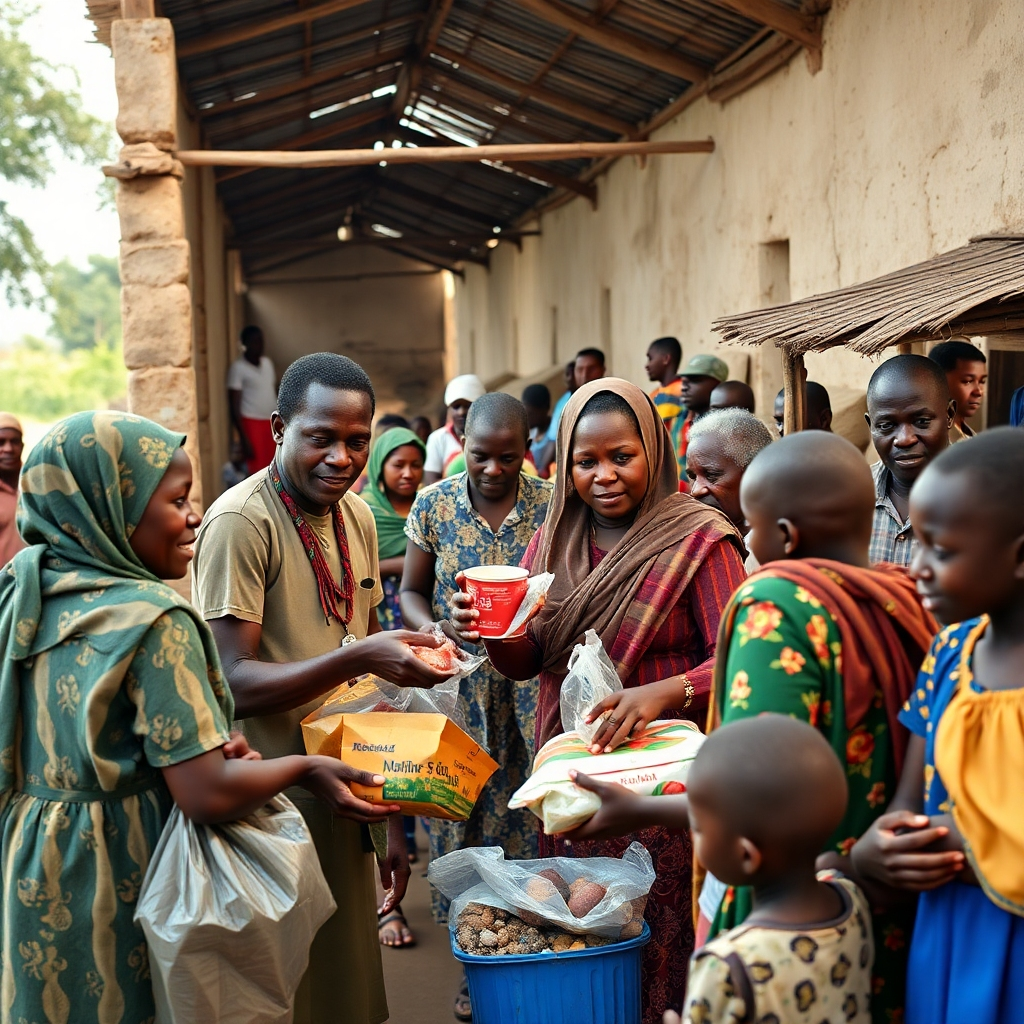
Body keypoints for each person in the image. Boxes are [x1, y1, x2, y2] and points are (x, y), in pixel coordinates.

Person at [0, 411, 404, 1024]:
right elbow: (207, 795)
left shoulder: (20, 594)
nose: (195, 518)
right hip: (125, 868)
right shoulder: (155, 620)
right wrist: (301, 768)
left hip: (31, 861)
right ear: (115, 508)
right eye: (177, 501)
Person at [456, 379, 747, 1024]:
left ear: (653, 452)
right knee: (586, 931)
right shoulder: (553, 543)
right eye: (586, 462)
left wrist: (662, 694)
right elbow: (525, 662)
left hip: (664, 788)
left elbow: (737, 656)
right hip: (578, 779)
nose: (605, 476)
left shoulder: (700, 539)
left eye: (622, 456)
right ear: (566, 466)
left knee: (664, 932)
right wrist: (493, 627)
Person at [192, 354, 451, 1024]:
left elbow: (368, 684)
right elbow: (231, 682)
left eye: (357, 441)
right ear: (278, 428)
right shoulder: (241, 523)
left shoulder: (356, 518)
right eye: (320, 438)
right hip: (273, 806)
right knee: (287, 993)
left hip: (345, 799)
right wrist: (364, 652)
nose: (341, 457)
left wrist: (392, 816)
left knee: (349, 993)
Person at [697, 431, 937, 1023]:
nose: (748, 544)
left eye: (751, 529)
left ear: (785, 536)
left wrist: (640, 810)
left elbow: (757, 788)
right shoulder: (908, 596)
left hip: (788, 913)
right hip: (889, 894)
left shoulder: (776, 607)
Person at [850, 428, 1024, 1024]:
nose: (917, 568)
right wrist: (878, 851)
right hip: (946, 933)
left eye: (941, 551)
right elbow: (910, 805)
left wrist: (958, 849)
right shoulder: (950, 653)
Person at [400, 391, 551, 1021]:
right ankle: (472, 961)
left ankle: (526, 948)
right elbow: (408, 592)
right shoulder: (435, 505)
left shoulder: (548, 502)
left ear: (527, 450)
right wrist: (443, 624)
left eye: (507, 458)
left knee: (527, 815)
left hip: (528, 689)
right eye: (480, 456)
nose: (492, 470)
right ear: (461, 444)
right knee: (458, 816)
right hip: (458, 690)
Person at [679, 716, 872, 1024]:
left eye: (698, 828)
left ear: (746, 855)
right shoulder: (853, 901)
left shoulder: (726, 966)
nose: (693, 835)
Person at [359, 425, 427, 948]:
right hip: (373, 644)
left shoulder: (428, 510)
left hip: (420, 645)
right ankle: (388, 908)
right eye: (396, 464)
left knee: (419, 753)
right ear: (380, 465)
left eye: (414, 465)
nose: (406, 474)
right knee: (384, 758)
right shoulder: (363, 515)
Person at [864, 355, 953, 567]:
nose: (904, 439)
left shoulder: (986, 498)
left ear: (949, 415)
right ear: (871, 426)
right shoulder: (848, 496)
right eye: (886, 425)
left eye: (921, 422)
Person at [685, 408, 774, 570]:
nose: (696, 490)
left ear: (755, 473)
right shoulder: (689, 541)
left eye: (711, 475)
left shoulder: (777, 548)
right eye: (692, 477)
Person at [227, 325, 278, 473]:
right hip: (251, 423)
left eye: (260, 341)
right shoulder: (238, 368)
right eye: (254, 341)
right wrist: (243, 438)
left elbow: (271, 390)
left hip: (270, 422)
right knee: (257, 469)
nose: (259, 345)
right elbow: (234, 404)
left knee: (274, 466)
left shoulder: (267, 364)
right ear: (245, 344)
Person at [676, 354, 729, 490]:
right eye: (683, 381)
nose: (684, 387)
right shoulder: (680, 420)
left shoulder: (724, 429)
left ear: (718, 385)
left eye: (695, 380)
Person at [423, 374, 485, 484]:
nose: (461, 412)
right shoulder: (438, 439)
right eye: (456, 407)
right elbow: (430, 484)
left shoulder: (491, 437)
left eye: (468, 406)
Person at [928, 339, 987, 441]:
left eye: (982, 381)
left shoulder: (970, 437)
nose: (979, 392)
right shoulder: (925, 439)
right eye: (967, 381)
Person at [534, 360, 578, 478]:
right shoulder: (562, 401)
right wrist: (541, 470)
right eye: (566, 375)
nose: (567, 379)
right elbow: (553, 437)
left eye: (571, 374)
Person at [0, 412, 26, 564]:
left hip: (35, 581)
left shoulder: (38, 484)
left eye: (14, 441)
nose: (8, 448)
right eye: (1, 442)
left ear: (22, 445)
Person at [522, 383, 552, 476]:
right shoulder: (532, 433)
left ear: (544, 409)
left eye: (530, 414)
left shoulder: (553, 436)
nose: (527, 418)